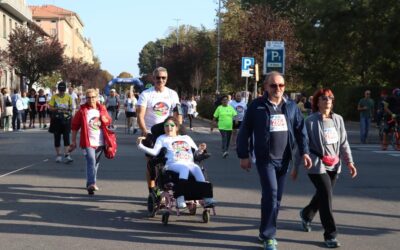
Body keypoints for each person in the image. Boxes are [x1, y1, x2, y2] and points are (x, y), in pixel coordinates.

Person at [236, 71, 312, 250]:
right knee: (271, 194)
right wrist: (243, 155)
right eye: (274, 85)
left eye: (281, 85)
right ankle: (269, 235)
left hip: (284, 159)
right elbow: (244, 131)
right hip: (265, 159)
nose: (278, 88)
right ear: (266, 87)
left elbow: (301, 131)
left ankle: (264, 231)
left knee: (275, 198)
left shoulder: (291, 106)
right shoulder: (257, 106)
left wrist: (305, 152)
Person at [292, 88, 357, 248]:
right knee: (327, 197)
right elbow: (302, 144)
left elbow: (343, 143)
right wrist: (295, 167)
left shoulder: (338, 119)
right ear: (317, 102)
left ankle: (306, 214)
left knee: (323, 195)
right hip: (316, 163)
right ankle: (330, 235)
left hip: (334, 163)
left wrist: (350, 162)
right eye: (323, 98)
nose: (327, 100)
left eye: (330, 97)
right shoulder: (310, 121)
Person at [136, 116, 215, 208]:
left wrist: (201, 149)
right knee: (184, 168)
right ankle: (180, 198)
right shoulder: (162, 138)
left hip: (189, 162)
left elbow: (196, 152)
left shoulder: (186, 138)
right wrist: (140, 146)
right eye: (166, 125)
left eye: (172, 125)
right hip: (172, 164)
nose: (169, 127)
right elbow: (154, 152)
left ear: (177, 127)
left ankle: (207, 198)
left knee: (197, 168)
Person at [136, 66, 182, 196]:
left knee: (171, 161)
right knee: (152, 164)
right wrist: (145, 131)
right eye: (158, 77)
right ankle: (152, 191)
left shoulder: (172, 94)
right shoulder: (146, 94)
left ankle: (168, 188)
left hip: (168, 133)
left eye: (163, 78)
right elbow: (140, 115)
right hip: (151, 132)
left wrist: (178, 129)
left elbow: (178, 113)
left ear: (166, 79)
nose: (160, 80)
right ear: (153, 78)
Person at [70, 88, 111, 194]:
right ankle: (92, 183)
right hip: (87, 142)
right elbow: (74, 126)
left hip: (100, 141)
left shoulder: (101, 109)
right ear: (85, 98)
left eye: (93, 97)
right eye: (88, 97)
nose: (91, 99)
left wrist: (106, 120)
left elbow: (108, 121)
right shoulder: (82, 111)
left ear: (97, 97)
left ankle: (90, 183)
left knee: (95, 163)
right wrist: (73, 141)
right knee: (91, 161)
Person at [48, 82, 73, 163]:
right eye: (60, 90)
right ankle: (58, 155)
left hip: (66, 119)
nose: (61, 92)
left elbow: (71, 107)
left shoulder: (68, 97)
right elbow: (50, 108)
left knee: (66, 137)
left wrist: (68, 109)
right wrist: (57, 108)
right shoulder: (54, 97)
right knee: (57, 137)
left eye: (63, 90)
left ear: (65, 90)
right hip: (56, 119)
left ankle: (67, 154)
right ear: (58, 89)